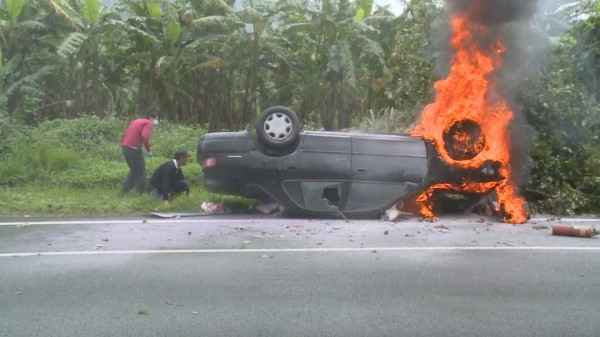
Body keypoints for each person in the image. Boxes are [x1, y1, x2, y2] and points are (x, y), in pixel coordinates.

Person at [120, 110, 159, 195]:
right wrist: (148, 150)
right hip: (133, 149)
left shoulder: (137, 121)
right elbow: (144, 136)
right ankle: (141, 193)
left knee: (134, 171)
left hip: (125, 147)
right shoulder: (148, 123)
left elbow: (125, 133)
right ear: (151, 118)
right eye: (156, 119)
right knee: (141, 172)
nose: (156, 121)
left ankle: (124, 192)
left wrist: (124, 144)